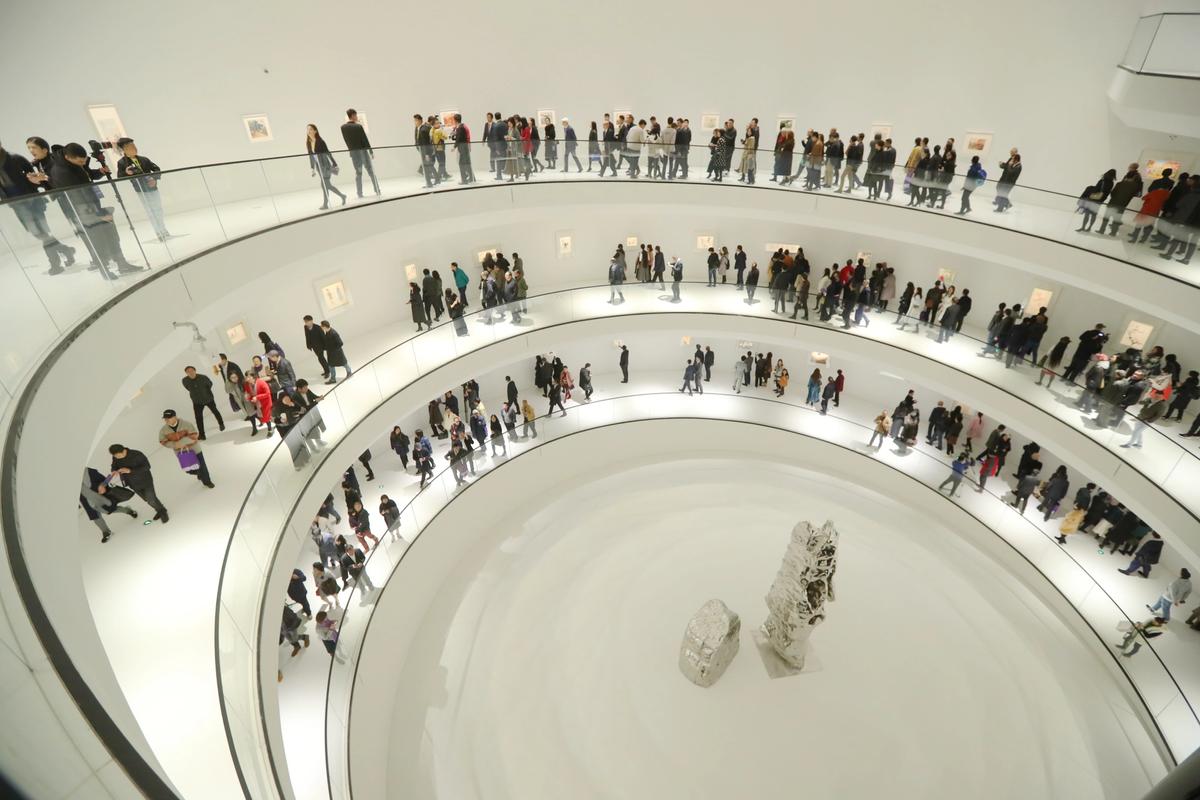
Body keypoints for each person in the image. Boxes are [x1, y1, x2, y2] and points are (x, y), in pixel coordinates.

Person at [49, 142, 145, 279]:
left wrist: (98, 172)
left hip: (90, 207)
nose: (83, 164)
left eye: (84, 161)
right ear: (68, 157)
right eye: (80, 161)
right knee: (98, 241)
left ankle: (121, 264)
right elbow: (77, 196)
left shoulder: (71, 166)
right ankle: (106, 270)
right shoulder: (62, 172)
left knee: (110, 236)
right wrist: (98, 216)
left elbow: (86, 178)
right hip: (84, 211)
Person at [0, 140, 77, 274]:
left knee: (41, 232)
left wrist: (32, 182)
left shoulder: (16, 159)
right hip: (15, 204)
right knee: (39, 233)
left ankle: (55, 264)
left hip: (31, 201)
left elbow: (36, 180)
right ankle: (65, 250)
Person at [114, 138, 170, 241]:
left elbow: (156, 169)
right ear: (124, 149)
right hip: (141, 190)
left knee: (158, 209)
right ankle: (158, 232)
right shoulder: (122, 163)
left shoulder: (144, 159)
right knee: (151, 211)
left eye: (134, 146)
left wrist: (154, 178)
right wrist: (127, 173)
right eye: (130, 147)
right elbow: (119, 177)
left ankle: (163, 229)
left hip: (153, 187)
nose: (134, 149)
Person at [108, 444, 168, 523]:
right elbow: (114, 465)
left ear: (123, 451)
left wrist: (130, 471)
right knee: (147, 499)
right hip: (132, 483)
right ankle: (160, 509)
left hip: (145, 481)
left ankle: (163, 512)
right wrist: (114, 470)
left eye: (118, 456)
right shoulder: (115, 457)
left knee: (151, 499)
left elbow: (147, 466)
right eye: (115, 456)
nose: (116, 458)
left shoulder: (136, 454)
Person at [80, 466, 138, 543]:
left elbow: (105, 479)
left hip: (100, 497)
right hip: (87, 502)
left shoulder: (88, 472)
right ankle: (106, 532)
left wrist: (103, 485)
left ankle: (128, 510)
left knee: (112, 510)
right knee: (95, 517)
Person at [158, 409, 214, 488]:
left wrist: (181, 442)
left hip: (195, 450)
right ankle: (199, 473)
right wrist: (174, 444)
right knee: (188, 469)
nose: (166, 420)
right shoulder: (163, 430)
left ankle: (207, 482)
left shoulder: (186, 424)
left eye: (169, 418)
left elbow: (194, 435)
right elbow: (163, 441)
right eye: (165, 418)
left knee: (202, 466)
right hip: (180, 453)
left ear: (175, 417)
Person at [339, 108, 381, 197]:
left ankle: (359, 193)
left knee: (358, 173)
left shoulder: (343, 128)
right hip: (363, 152)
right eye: (356, 115)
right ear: (353, 115)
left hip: (354, 154)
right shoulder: (358, 126)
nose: (357, 116)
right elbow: (365, 140)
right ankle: (377, 189)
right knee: (370, 171)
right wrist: (371, 151)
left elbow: (346, 141)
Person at [304, 124, 346, 210]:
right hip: (318, 166)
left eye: (311, 129)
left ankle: (326, 204)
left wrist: (335, 164)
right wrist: (312, 168)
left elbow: (327, 152)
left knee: (324, 185)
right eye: (307, 129)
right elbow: (311, 156)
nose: (309, 131)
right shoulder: (308, 142)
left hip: (325, 165)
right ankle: (342, 196)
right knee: (327, 185)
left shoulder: (320, 141)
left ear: (315, 131)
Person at [180, 365, 225, 440]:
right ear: (186, 373)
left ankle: (221, 424)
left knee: (215, 411)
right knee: (198, 418)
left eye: (191, 371)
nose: (190, 373)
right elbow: (188, 388)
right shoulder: (185, 380)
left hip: (208, 399)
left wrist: (205, 392)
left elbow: (210, 384)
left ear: (195, 370)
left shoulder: (203, 377)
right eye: (188, 372)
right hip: (197, 401)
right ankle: (202, 435)